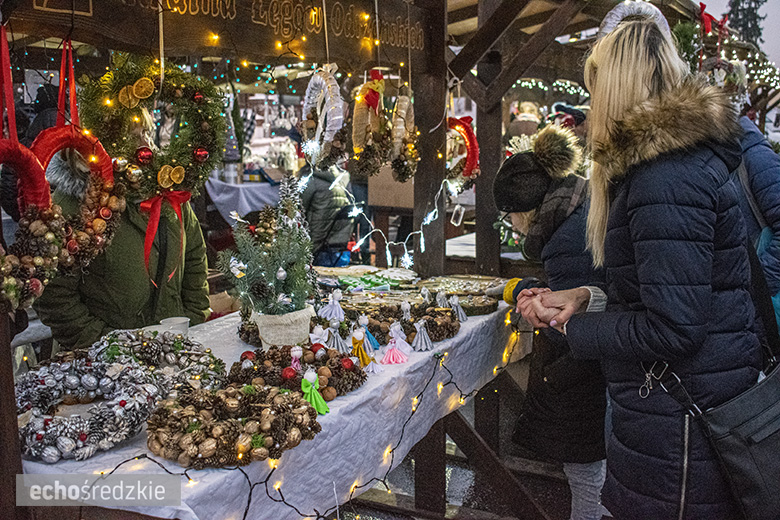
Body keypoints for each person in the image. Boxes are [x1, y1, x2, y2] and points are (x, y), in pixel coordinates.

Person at [516, 10, 761, 520]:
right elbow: (666, 288)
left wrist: (576, 327)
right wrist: (586, 296)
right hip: (680, 411)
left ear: (614, 87)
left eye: (594, 87)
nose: (589, 105)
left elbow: (674, 326)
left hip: (681, 421)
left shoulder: (663, 178)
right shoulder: (673, 165)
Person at [494, 125, 607, 520]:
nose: (511, 225)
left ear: (524, 210)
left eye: (509, 216)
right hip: (594, 363)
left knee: (585, 465)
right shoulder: (577, 207)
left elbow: (579, 305)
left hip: (586, 368)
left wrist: (539, 305)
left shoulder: (563, 239)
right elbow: (578, 288)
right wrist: (535, 288)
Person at [34, 142, 210, 351]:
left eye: (142, 128)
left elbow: (193, 255)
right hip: (104, 364)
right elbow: (55, 296)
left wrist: (193, 317)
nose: (136, 139)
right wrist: (109, 344)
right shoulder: (69, 207)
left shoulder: (165, 189)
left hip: (175, 348)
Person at [299, 163, 353, 267]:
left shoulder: (311, 181)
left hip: (318, 238)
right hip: (341, 237)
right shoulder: (342, 179)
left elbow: (300, 206)